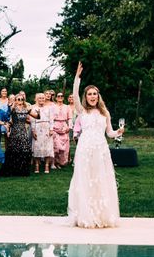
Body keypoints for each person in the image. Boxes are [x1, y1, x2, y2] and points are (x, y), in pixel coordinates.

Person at [68, 62, 124, 228]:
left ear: (98, 96)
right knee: (85, 180)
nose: (92, 96)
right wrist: (77, 78)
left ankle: (102, 214)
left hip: (101, 151)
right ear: (86, 97)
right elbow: (75, 95)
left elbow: (109, 133)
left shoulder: (105, 113)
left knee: (100, 180)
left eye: (95, 94)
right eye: (90, 94)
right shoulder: (81, 111)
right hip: (85, 150)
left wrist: (118, 133)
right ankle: (85, 215)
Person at [2, 94, 40, 176]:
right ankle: (12, 170)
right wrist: (9, 107)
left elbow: (37, 117)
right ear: (15, 100)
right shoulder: (13, 108)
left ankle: (22, 170)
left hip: (23, 131)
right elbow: (7, 116)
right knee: (14, 149)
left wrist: (38, 113)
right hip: (15, 131)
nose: (20, 101)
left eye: (21, 99)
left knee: (25, 149)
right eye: (18, 99)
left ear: (23, 100)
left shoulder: (26, 109)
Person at [31, 92, 54, 174]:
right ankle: (37, 165)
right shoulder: (33, 108)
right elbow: (32, 121)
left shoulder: (49, 108)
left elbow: (51, 119)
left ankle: (47, 165)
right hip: (37, 127)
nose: (41, 99)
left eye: (43, 98)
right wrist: (33, 130)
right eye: (39, 98)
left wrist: (51, 129)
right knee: (37, 146)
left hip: (47, 128)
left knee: (47, 146)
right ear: (36, 99)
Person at [53, 92, 73, 168]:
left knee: (64, 146)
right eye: (58, 96)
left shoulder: (67, 107)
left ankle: (62, 162)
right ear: (56, 98)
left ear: (63, 98)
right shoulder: (53, 107)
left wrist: (69, 127)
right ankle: (55, 162)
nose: (60, 97)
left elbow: (70, 118)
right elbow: (51, 118)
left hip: (64, 126)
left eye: (61, 96)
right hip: (55, 126)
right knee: (57, 145)